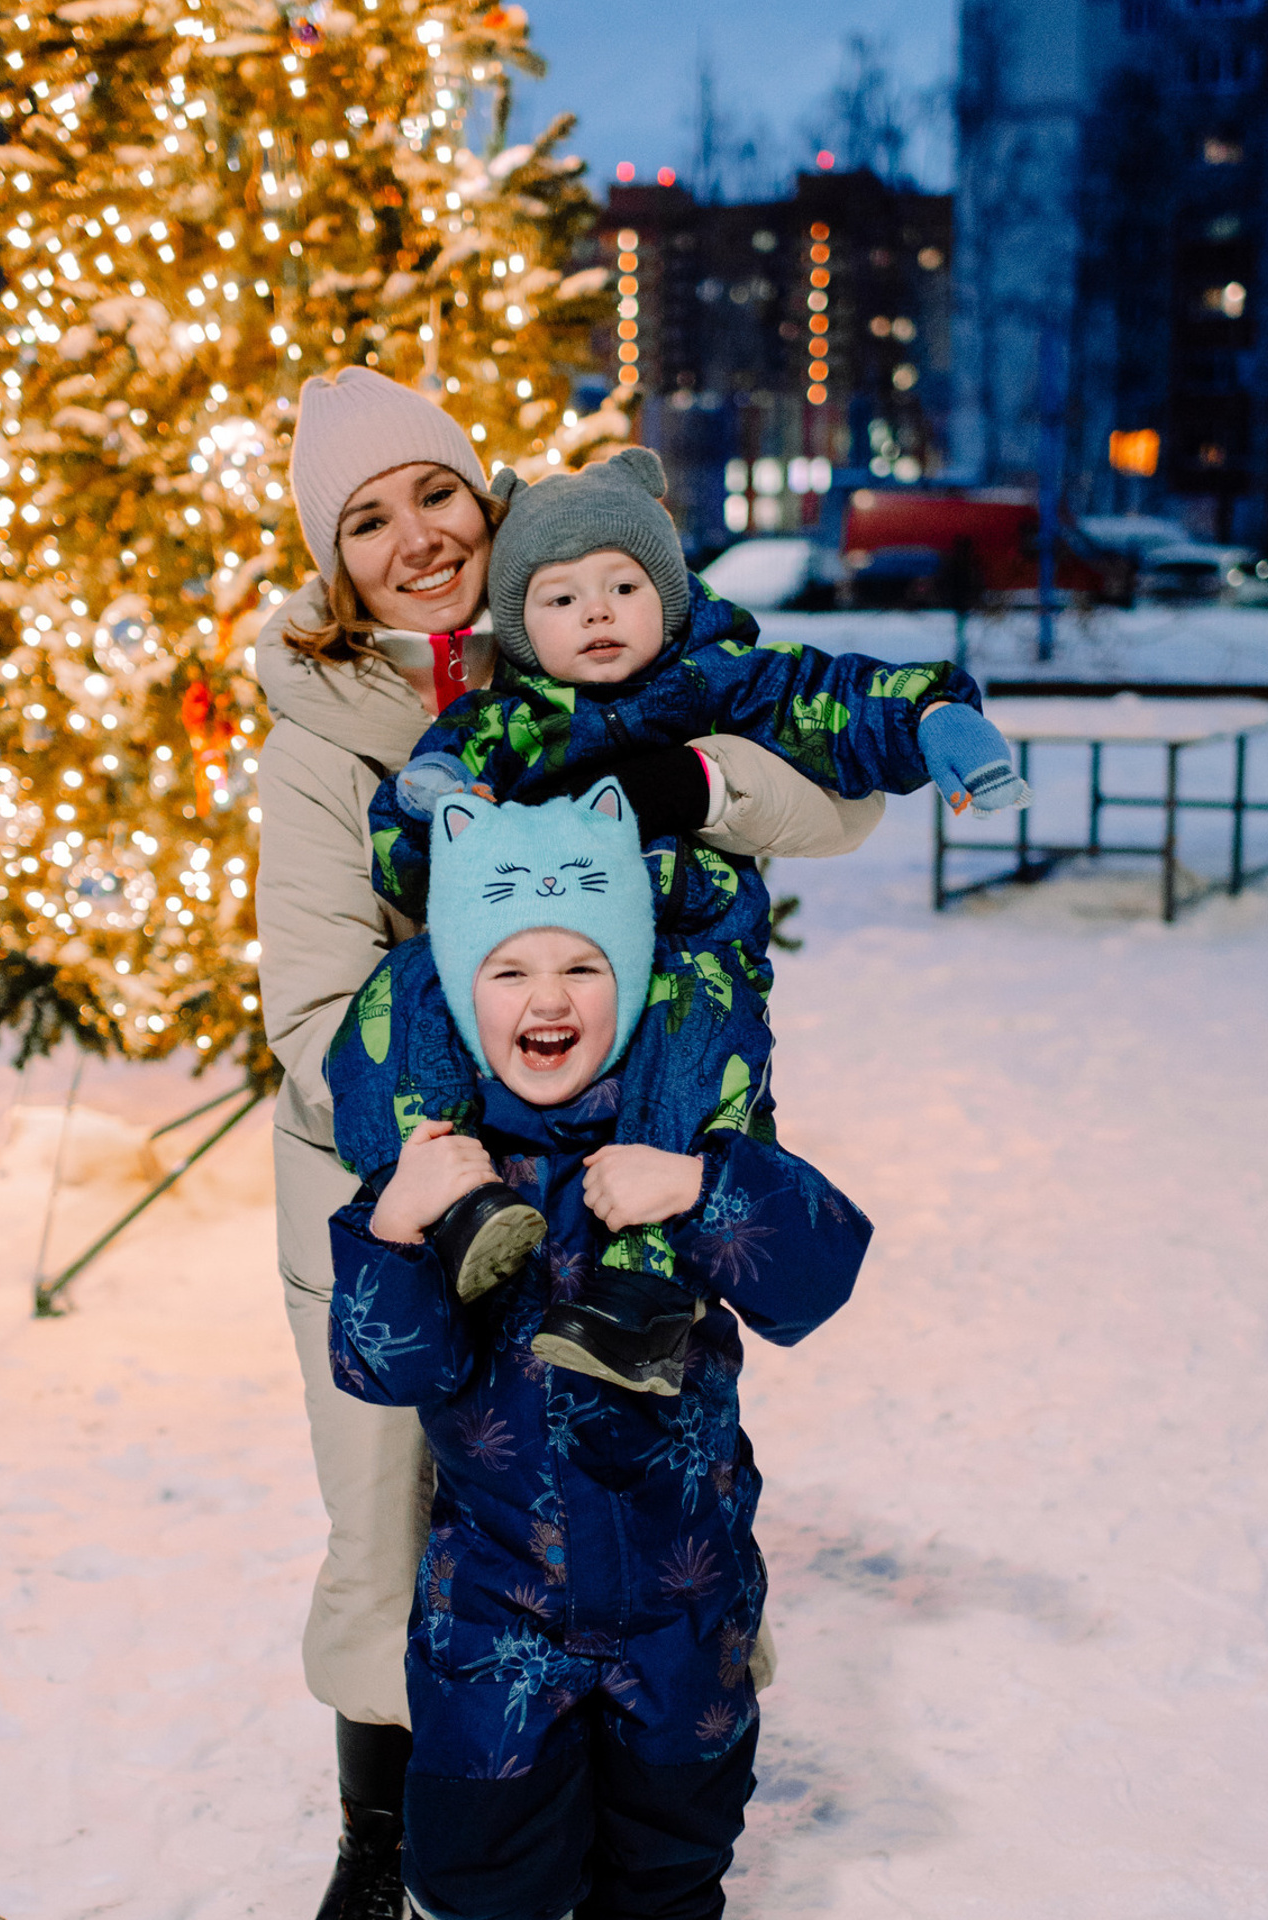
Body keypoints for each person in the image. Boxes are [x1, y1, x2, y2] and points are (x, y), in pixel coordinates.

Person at [255, 366, 888, 1920]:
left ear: (483, 490)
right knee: (392, 1503)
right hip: (399, 1169)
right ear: (333, 562)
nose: (415, 535)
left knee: (627, 1459)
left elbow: (842, 806)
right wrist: (452, 1149)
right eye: (365, 520)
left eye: (433, 492)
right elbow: (314, 998)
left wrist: (679, 778)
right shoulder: (324, 723)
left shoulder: (596, 606)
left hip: (622, 1154)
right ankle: (390, 1829)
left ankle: (648, 1791)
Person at [327, 446, 1028, 1397]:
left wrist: (932, 718)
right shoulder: (505, 721)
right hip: (535, 958)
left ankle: (640, 1288)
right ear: (523, 628)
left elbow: (834, 699)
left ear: (670, 591)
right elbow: (410, 864)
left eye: (623, 584)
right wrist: (432, 801)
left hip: (686, 943)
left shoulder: (720, 680)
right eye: (561, 598)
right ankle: (442, 1196)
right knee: (404, 993)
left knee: (693, 1012)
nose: (598, 613)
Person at [326, 774, 872, 1920]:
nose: (549, 997)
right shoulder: (444, 1166)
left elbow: (818, 1273)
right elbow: (389, 1365)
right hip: (494, 1613)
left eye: (584, 964)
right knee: (482, 1877)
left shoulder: (683, 1139)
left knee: (669, 1869)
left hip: (685, 1609)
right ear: (461, 994)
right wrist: (394, 1222)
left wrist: (699, 1187)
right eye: (508, 969)